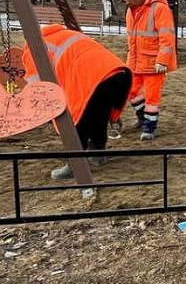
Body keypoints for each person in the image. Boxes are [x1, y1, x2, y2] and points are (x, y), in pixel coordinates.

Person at [21, 25, 132, 179]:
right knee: (99, 114)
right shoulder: (67, 34)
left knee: (78, 119)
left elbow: (38, 86)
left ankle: (75, 164)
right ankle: (98, 153)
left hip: (91, 78)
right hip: (118, 72)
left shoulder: (34, 49)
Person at [118, 0, 177, 140]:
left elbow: (167, 38)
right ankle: (143, 118)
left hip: (154, 63)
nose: (127, 1)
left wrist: (162, 61)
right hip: (135, 60)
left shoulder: (159, 8)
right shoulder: (131, 10)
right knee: (131, 91)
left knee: (152, 97)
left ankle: (149, 128)